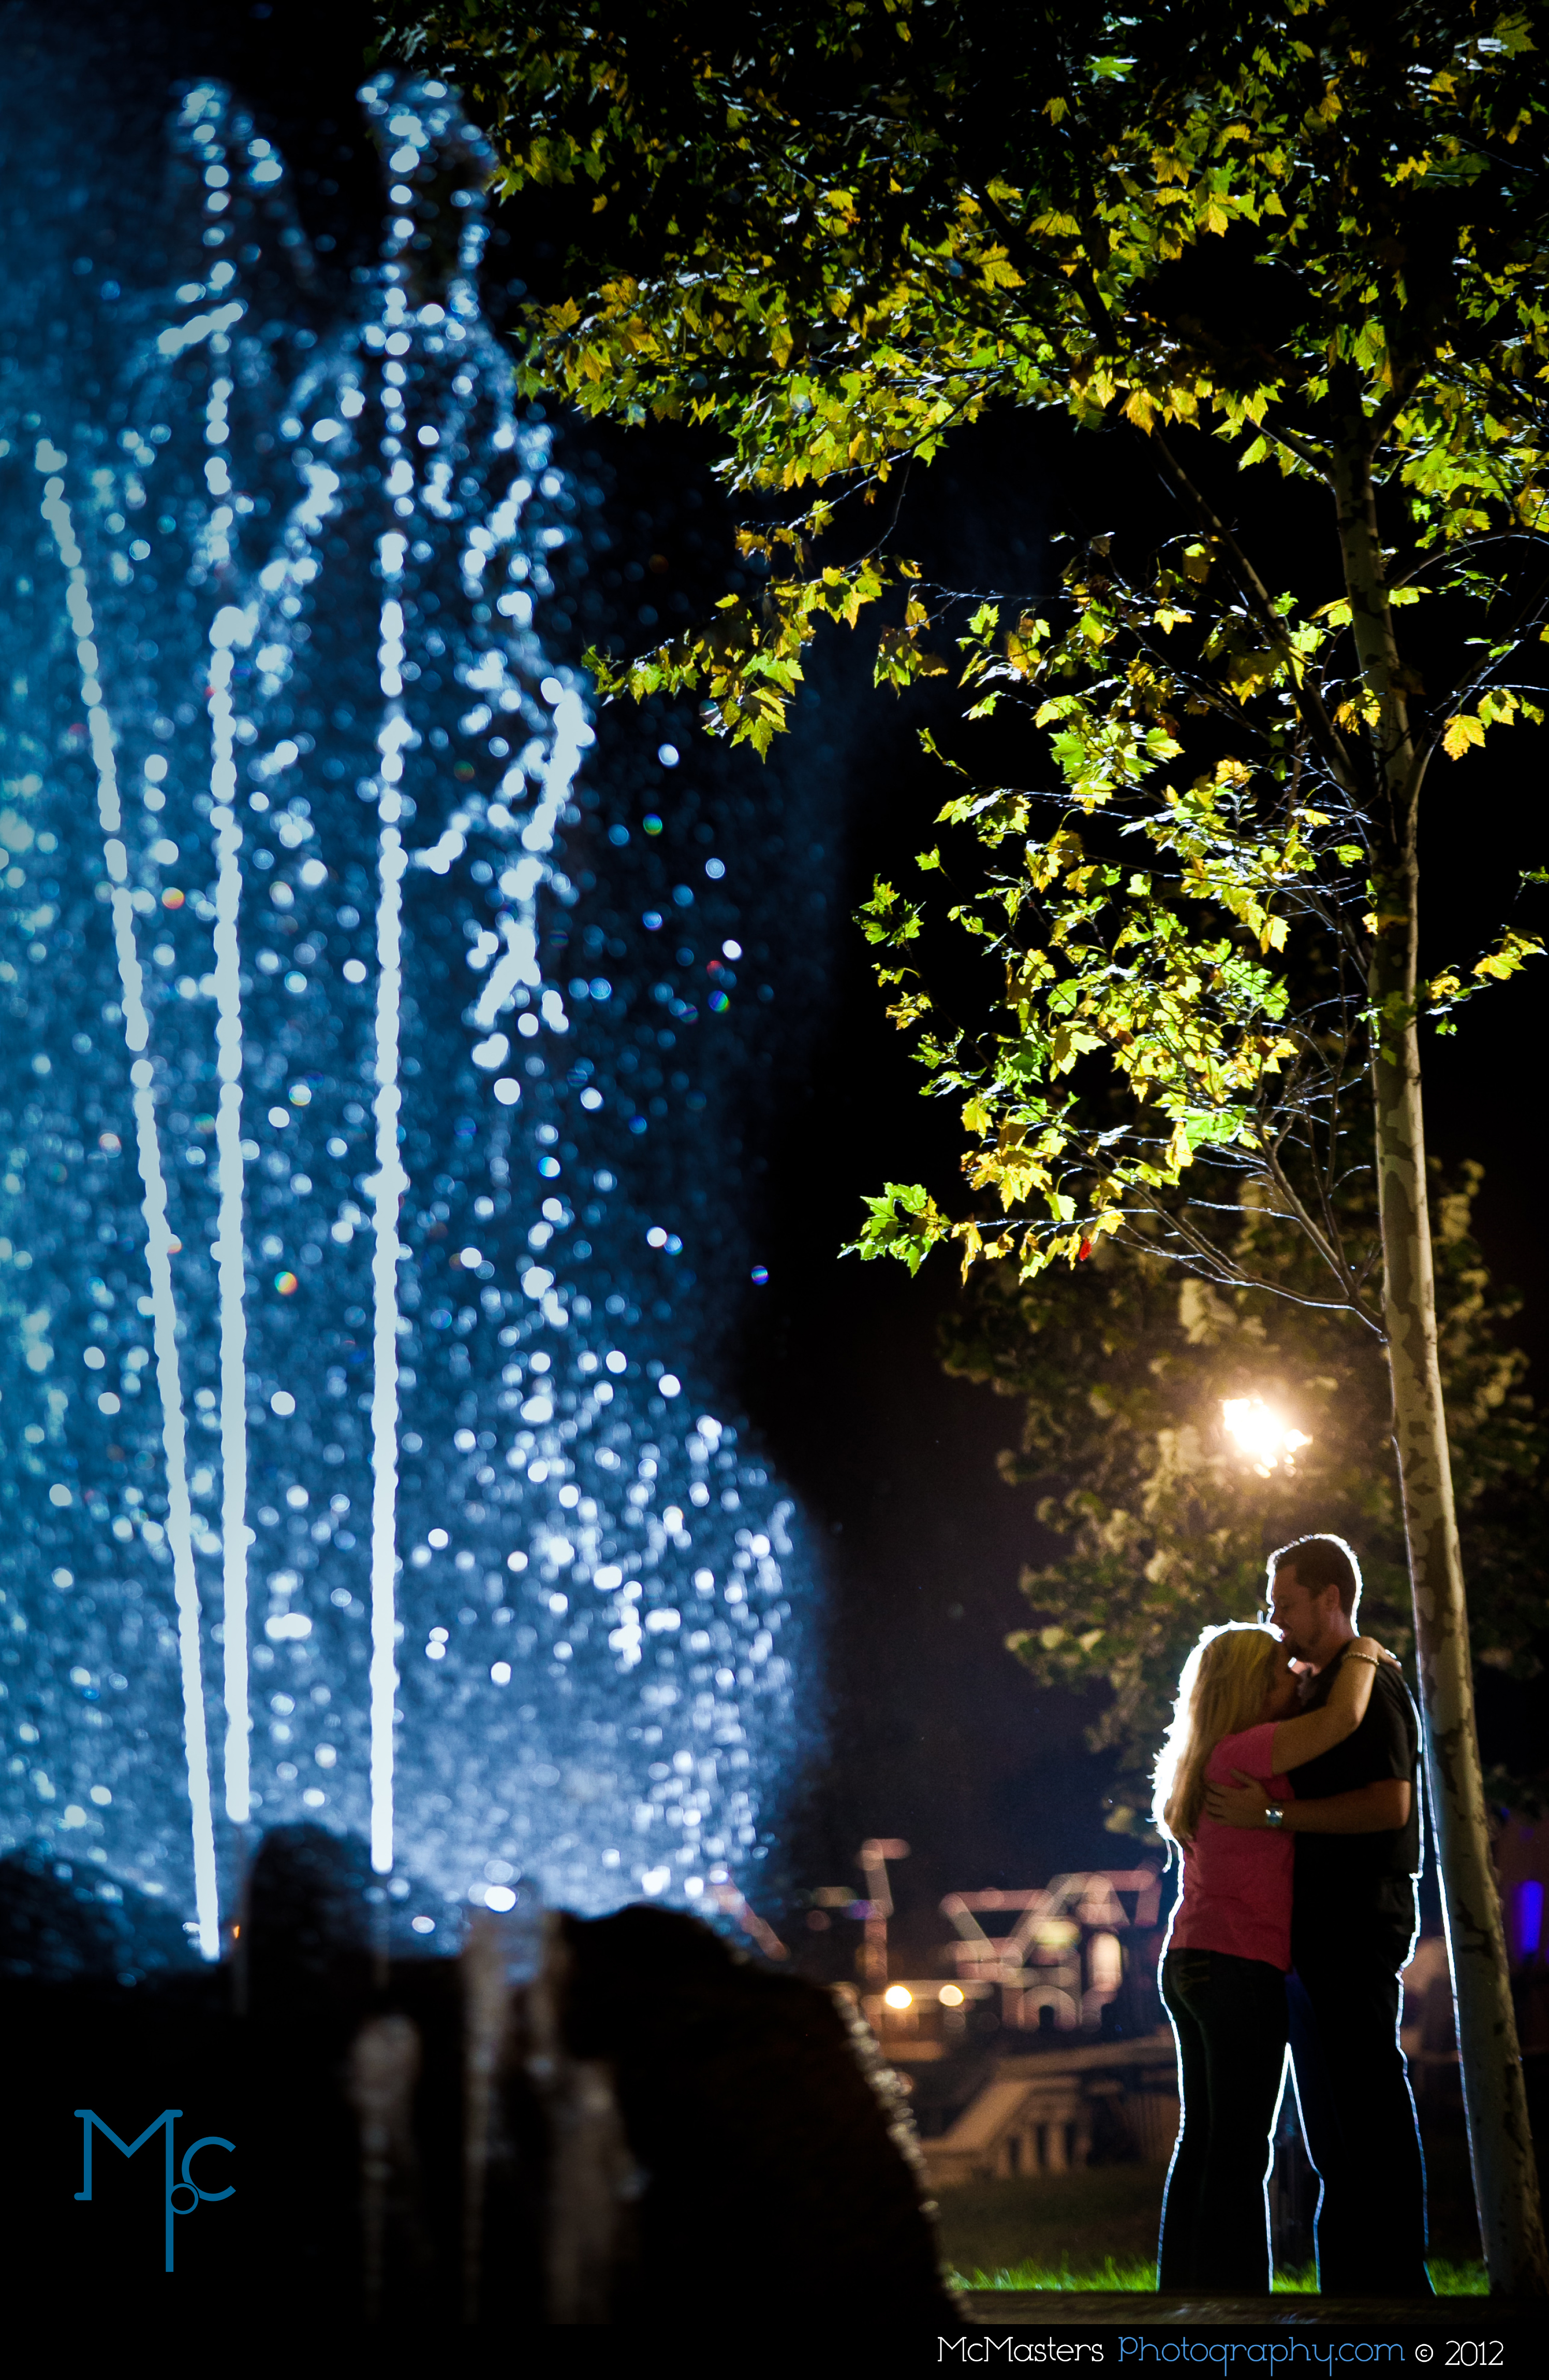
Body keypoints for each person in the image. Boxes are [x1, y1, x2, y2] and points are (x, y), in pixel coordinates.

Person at [1205, 1534, 1429, 2298]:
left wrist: (1275, 1815)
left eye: (1286, 1603)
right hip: (1314, 1929)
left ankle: (1395, 2281)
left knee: (1362, 2100)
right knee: (1335, 2121)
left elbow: (1388, 1804)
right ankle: (1357, 2286)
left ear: (1330, 1597)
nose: (1275, 1618)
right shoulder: (1330, 1685)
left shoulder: (1367, 1691)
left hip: (1354, 1920)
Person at [1152, 1615, 1392, 2293]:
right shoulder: (1246, 1749)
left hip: (1188, 1961)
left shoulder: (1202, 1755)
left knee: (1199, 2141)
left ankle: (1182, 2297)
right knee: (1236, 2149)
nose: (1294, 1673)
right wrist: (1364, 1653)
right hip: (1236, 1966)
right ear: (1250, 1686)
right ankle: (1234, 2309)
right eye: (1280, 1667)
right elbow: (1343, 1718)